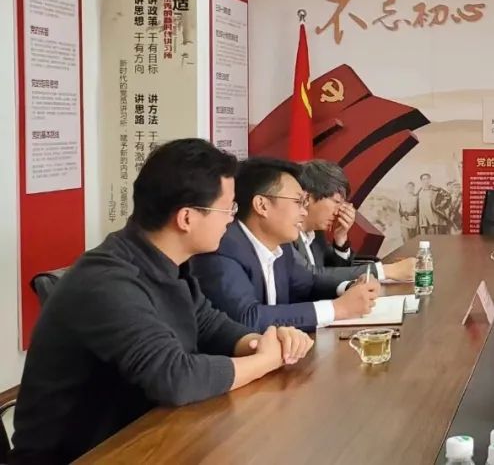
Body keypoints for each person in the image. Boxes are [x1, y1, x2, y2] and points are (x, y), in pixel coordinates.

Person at [11, 139, 314, 464]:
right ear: (186, 218)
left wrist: (264, 341)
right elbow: (175, 378)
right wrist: (266, 361)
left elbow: (211, 325)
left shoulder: (168, 262)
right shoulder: (106, 282)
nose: (231, 219)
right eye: (228, 209)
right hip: (83, 455)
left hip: (147, 436)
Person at [191, 157, 379, 332]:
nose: (304, 212)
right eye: (298, 202)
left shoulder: (282, 246)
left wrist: (350, 288)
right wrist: (337, 309)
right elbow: (247, 318)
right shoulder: (223, 249)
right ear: (262, 205)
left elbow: (309, 284)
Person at [295, 159, 415, 284]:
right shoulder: (288, 237)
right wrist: (386, 271)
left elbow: (333, 277)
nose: (338, 212)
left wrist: (341, 238)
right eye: (336, 202)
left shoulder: (316, 234)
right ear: (308, 197)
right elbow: (314, 278)